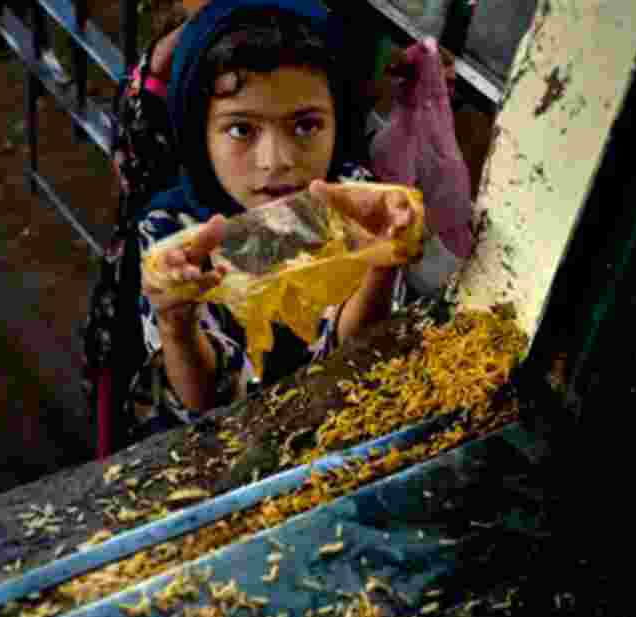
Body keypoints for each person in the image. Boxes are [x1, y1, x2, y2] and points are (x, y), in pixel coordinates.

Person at [124, 0, 422, 442]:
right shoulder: (172, 233)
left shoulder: (356, 201)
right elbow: (205, 401)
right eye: (241, 129)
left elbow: (354, 354)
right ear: (196, 132)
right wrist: (175, 323)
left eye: (305, 126)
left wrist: (383, 264)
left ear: (340, 121)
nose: (277, 162)